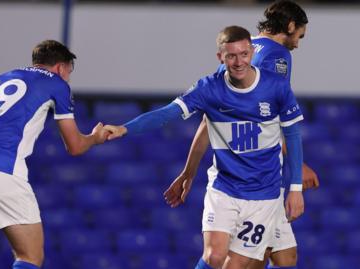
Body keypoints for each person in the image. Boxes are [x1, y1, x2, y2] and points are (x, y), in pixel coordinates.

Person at [104, 25, 304, 269]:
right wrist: (125, 129)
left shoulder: (275, 86)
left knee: (264, 261)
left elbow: (293, 134)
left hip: (264, 194)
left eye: (243, 54)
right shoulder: (208, 88)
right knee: (214, 256)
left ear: (251, 52)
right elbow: (168, 113)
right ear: (220, 57)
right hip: (224, 187)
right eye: (231, 56)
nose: (239, 62)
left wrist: (295, 188)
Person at [164, 1, 318, 269]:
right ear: (291, 26)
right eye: (300, 36)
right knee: (245, 261)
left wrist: (189, 171)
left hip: (252, 177)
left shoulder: (242, 50)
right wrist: (298, 165)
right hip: (257, 182)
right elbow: (265, 121)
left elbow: (209, 120)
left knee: (285, 257)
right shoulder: (277, 56)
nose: (298, 44)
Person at [0, 40, 108, 269]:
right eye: (70, 70)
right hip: (2, 165)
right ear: (60, 67)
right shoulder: (57, 84)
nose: (68, 76)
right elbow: (75, 146)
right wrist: (95, 138)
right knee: (30, 256)